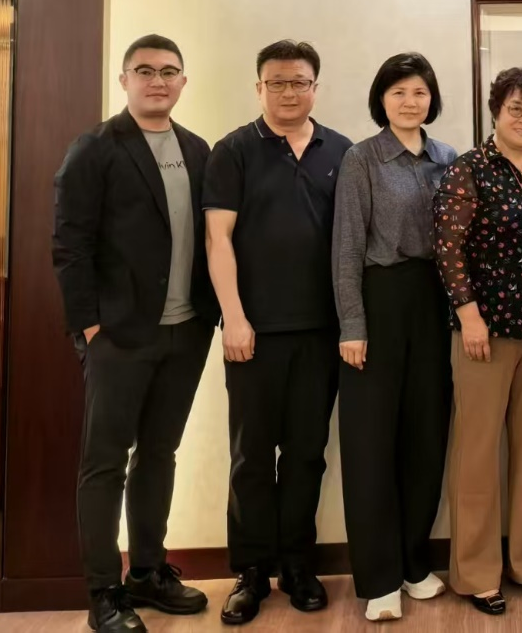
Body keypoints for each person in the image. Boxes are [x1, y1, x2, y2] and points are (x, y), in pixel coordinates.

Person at [54, 34, 218, 633]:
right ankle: (103, 592)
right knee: (105, 463)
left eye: (169, 71)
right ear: (124, 80)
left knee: (160, 454)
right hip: (119, 337)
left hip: (186, 331)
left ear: (182, 82)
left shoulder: (198, 150)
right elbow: (69, 244)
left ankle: (147, 572)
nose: (157, 80)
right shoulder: (95, 148)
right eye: (144, 70)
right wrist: (90, 327)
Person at [203, 39, 352, 625]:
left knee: (306, 455)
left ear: (316, 86)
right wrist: (234, 317)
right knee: (250, 456)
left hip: (321, 332)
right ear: (259, 87)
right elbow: (218, 239)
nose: (289, 92)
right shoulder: (234, 150)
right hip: (254, 332)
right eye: (277, 82)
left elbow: (350, 244)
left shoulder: (341, 150)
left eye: (300, 82)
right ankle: (250, 572)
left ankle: (297, 564)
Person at [434, 66, 522, 616]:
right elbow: (449, 248)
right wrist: (468, 315)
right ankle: (476, 574)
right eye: (516, 109)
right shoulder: (468, 169)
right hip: (484, 332)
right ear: (496, 111)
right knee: (476, 453)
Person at [332, 53, 456, 622]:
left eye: (420, 92)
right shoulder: (362, 158)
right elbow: (346, 248)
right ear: (381, 99)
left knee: (426, 436)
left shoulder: (448, 159)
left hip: (434, 302)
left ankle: (413, 563)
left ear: (432, 99)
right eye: (399, 92)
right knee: (371, 443)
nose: (410, 102)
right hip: (378, 299)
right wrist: (352, 325)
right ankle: (379, 577)